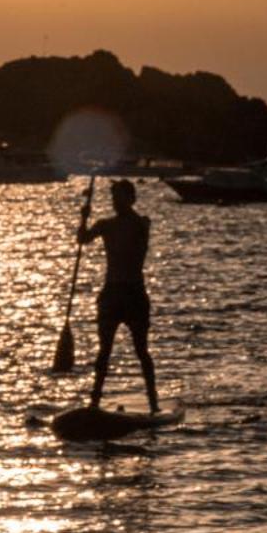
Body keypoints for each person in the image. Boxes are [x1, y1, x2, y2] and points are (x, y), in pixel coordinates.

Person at [78, 177, 159, 413]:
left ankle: (153, 400)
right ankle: (94, 400)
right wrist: (83, 217)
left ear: (131, 199)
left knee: (141, 350)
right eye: (113, 197)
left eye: (120, 197)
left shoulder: (141, 223)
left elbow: (143, 228)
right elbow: (82, 239)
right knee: (104, 351)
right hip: (111, 294)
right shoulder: (105, 225)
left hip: (133, 293)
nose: (115, 202)